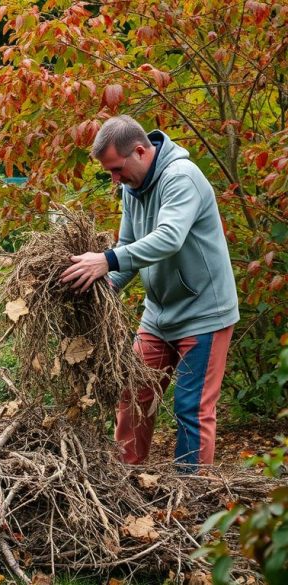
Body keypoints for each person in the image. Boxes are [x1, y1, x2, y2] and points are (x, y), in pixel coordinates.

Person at [60, 115, 239, 470]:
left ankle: (190, 497)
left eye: (116, 169)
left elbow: (169, 238)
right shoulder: (132, 188)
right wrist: (104, 287)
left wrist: (107, 260)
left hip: (204, 314)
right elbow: (129, 246)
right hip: (158, 314)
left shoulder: (181, 178)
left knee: (192, 407)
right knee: (133, 394)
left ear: (140, 151)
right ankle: (125, 479)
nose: (114, 180)